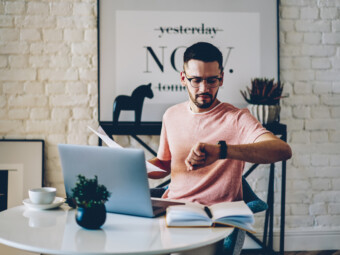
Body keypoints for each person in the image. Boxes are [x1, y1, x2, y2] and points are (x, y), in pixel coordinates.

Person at [148, 42, 292, 206]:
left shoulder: (237, 118)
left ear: (221, 78)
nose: (204, 88)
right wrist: (138, 167)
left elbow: (283, 150)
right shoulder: (171, 115)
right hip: (173, 209)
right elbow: (164, 165)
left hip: (217, 216)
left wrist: (222, 151)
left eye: (211, 80)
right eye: (196, 80)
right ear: (183, 78)